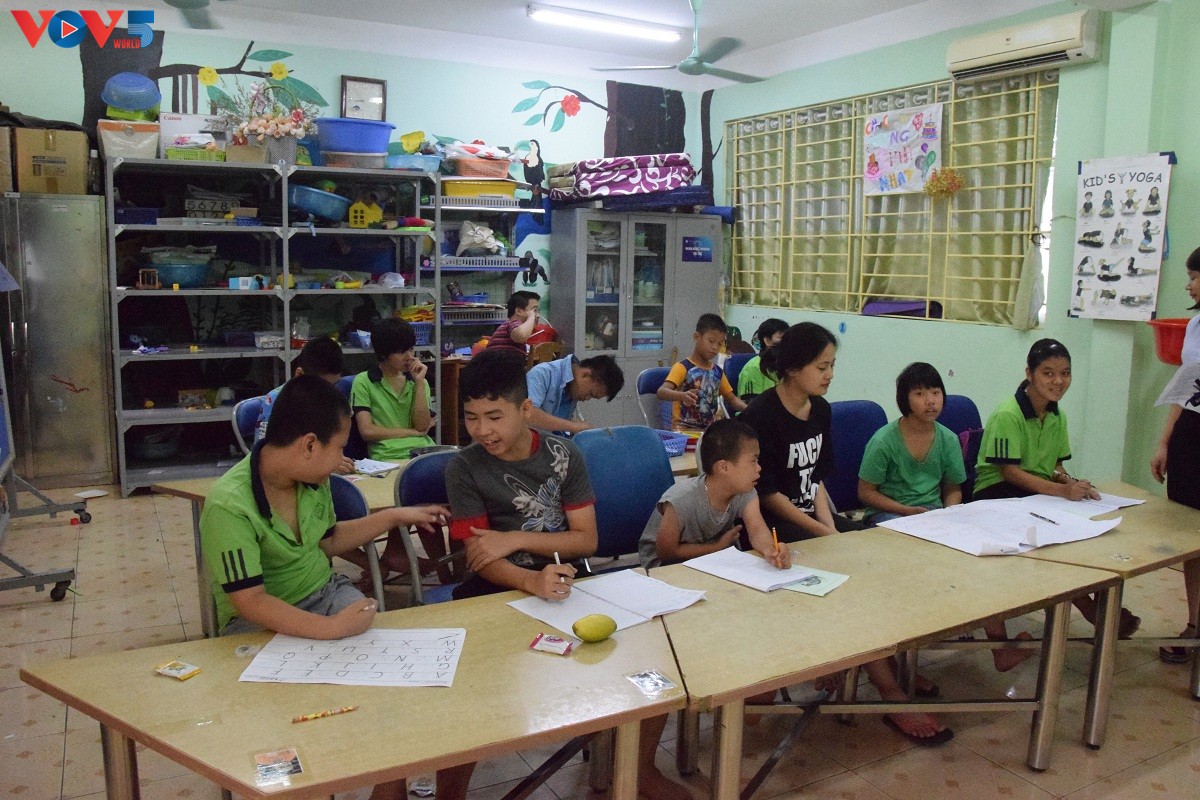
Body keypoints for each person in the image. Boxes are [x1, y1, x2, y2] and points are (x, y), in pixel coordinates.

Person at [441, 349, 694, 800]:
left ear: (525, 409)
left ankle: (640, 768)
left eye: (494, 417)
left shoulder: (563, 454)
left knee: (650, 658)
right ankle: (450, 792)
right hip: (495, 587)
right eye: (471, 417)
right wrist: (528, 580)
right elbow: (481, 556)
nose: (482, 430)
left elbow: (586, 541)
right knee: (466, 691)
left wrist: (514, 538)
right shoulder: (464, 467)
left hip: (568, 583)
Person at [199, 376, 448, 800]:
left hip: (326, 594)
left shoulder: (312, 481)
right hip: (258, 624)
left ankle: (388, 787)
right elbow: (250, 602)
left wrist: (393, 516)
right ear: (310, 445)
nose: (342, 460)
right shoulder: (229, 504)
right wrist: (331, 630)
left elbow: (329, 541)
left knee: (390, 692)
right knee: (297, 713)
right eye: (340, 448)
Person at [974, 338, 1141, 639]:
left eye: (1065, 373)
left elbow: (1055, 466)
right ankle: (1090, 609)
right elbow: (1009, 472)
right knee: (1053, 538)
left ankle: (1095, 606)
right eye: (1048, 373)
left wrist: (1070, 482)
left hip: (1034, 494)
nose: (1058, 381)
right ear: (1029, 374)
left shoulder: (1057, 414)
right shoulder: (1008, 414)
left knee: (1086, 528)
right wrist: (1061, 491)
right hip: (997, 493)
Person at [739, 322, 865, 540]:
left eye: (832, 366)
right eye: (822, 368)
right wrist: (822, 531)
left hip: (809, 515)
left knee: (866, 540)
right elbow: (767, 494)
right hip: (771, 523)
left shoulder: (821, 409)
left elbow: (815, 478)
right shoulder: (760, 416)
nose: (830, 375)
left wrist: (828, 525)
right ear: (792, 369)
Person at [638, 418, 789, 570]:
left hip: (710, 561)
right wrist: (716, 547)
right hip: (664, 568)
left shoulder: (745, 492)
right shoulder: (681, 499)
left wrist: (770, 549)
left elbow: (757, 530)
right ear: (724, 467)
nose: (759, 468)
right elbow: (666, 552)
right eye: (753, 461)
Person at [1151, 251, 1200, 662]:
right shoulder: (1196, 325)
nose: (1189, 285)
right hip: (1190, 436)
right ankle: (1194, 624)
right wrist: (1164, 442)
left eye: (1195, 276)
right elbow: (1185, 388)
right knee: (1190, 536)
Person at [858, 362, 966, 525]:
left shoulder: (949, 439)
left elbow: (953, 489)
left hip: (932, 511)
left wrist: (948, 515)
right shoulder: (882, 441)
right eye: (919, 394)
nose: (930, 401)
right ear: (904, 399)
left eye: (936, 392)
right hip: (888, 512)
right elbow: (866, 493)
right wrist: (906, 510)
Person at [253, 337, 353, 475]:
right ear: (299, 375)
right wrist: (322, 464)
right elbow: (265, 457)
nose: (328, 393)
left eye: (334, 385)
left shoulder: (333, 399)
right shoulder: (275, 401)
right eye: (320, 386)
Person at [350, 318, 436, 462]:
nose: (409, 357)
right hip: (387, 456)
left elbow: (421, 427)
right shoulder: (363, 381)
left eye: (411, 348)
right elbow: (367, 431)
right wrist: (412, 432)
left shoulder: (419, 381)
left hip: (423, 452)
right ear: (383, 353)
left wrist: (420, 383)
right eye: (401, 352)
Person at [657, 313, 746, 430]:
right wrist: (682, 396)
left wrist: (748, 409)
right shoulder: (682, 367)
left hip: (709, 433)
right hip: (684, 432)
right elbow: (661, 392)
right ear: (696, 337)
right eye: (711, 341)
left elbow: (732, 399)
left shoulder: (717, 372)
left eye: (720, 344)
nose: (715, 347)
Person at [525, 353, 624, 435]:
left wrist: (572, 425)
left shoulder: (572, 387)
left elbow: (555, 419)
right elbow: (528, 414)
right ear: (585, 375)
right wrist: (572, 426)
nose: (587, 398)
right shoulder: (542, 373)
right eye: (591, 394)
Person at [736, 317, 789, 402]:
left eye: (787, 339)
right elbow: (751, 405)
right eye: (780, 338)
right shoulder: (753, 368)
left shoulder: (785, 365)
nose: (785, 343)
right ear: (767, 340)